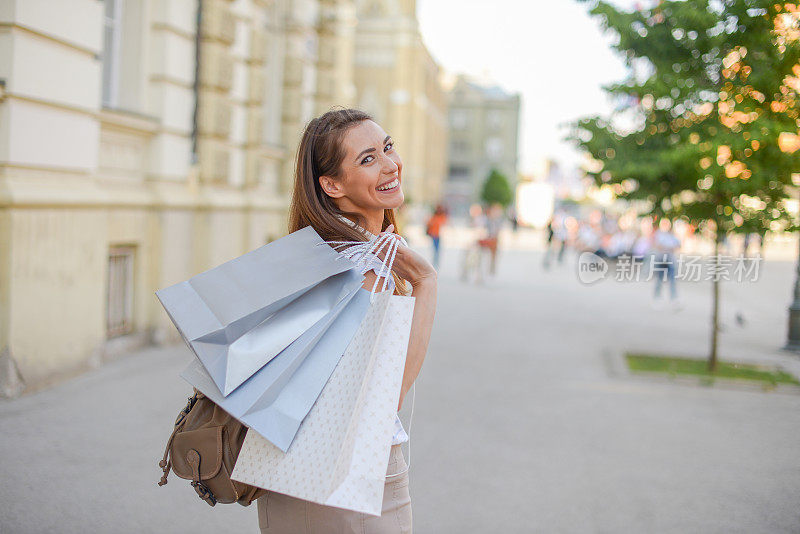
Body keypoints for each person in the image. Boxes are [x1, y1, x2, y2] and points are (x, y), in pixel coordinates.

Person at [260, 107, 438, 533]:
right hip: (351, 473)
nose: (390, 165)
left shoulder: (314, 252)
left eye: (387, 148)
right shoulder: (363, 269)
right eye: (367, 158)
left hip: (286, 466)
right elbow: (385, 397)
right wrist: (426, 283)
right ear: (332, 185)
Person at [425, 204, 448, 270]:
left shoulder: (440, 216)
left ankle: (436, 261)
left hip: (438, 235)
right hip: (434, 235)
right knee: (436, 249)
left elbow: (444, 223)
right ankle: (435, 261)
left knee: (437, 249)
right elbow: (429, 223)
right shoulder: (435, 216)